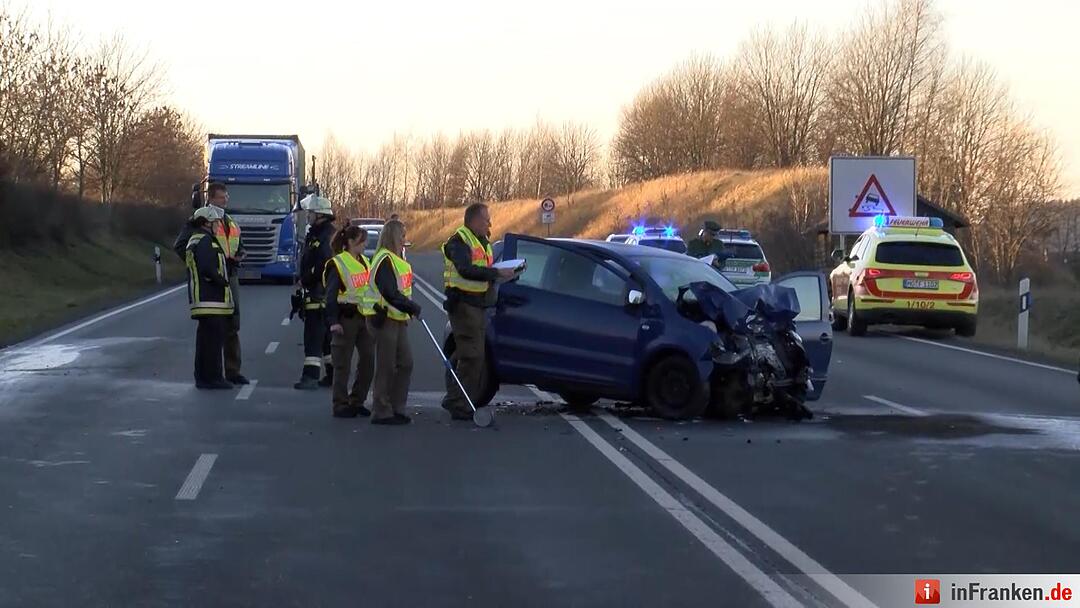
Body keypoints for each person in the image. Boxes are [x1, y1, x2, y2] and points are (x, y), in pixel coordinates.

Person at [439, 203, 517, 420]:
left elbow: (482, 269)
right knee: (470, 356)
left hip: (477, 305)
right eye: (486, 220)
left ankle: (462, 401)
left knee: (475, 357)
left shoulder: (481, 241)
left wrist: (502, 275)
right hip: (464, 306)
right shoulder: (459, 241)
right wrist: (495, 273)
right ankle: (457, 402)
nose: (489, 223)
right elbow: (466, 270)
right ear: (474, 220)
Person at [173, 182, 248, 385]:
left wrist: (238, 256)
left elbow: (238, 244)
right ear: (211, 199)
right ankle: (213, 374)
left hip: (229, 275)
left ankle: (233, 370)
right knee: (213, 327)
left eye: (226, 197)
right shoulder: (199, 220)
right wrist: (197, 265)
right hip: (211, 280)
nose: (226, 201)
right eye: (222, 197)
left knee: (232, 323)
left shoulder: (230, 222)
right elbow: (182, 246)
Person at [369, 220, 422, 425]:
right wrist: (411, 307)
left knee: (405, 363)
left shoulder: (395, 259)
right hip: (385, 318)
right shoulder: (384, 260)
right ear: (392, 236)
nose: (404, 240)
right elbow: (389, 292)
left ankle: (397, 405)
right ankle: (381, 409)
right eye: (401, 236)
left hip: (399, 318)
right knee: (386, 366)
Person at [324, 225, 377, 418]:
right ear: (351, 242)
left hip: (364, 317)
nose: (365, 245)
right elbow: (330, 296)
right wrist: (333, 321)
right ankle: (340, 404)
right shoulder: (338, 263)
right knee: (342, 364)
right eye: (362, 241)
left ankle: (357, 400)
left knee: (368, 360)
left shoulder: (365, 261)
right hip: (345, 319)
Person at [184, 206, 235, 390]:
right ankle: (214, 378)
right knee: (214, 341)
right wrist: (222, 281)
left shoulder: (195, 240)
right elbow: (207, 268)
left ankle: (202, 377)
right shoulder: (205, 240)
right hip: (211, 299)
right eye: (215, 223)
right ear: (206, 223)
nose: (217, 227)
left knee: (204, 341)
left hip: (203, 299)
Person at [295, 195, 337, 390]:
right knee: (326, 338)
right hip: (317, 291)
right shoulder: (318, 233)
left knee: (313, 335)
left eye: (310, 213)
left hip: (320, 294)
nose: (308, 216)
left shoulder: (326, 236)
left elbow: (324, 265)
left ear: (319, 214)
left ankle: (310, 377)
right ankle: (333, 373)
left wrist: (306, 278)